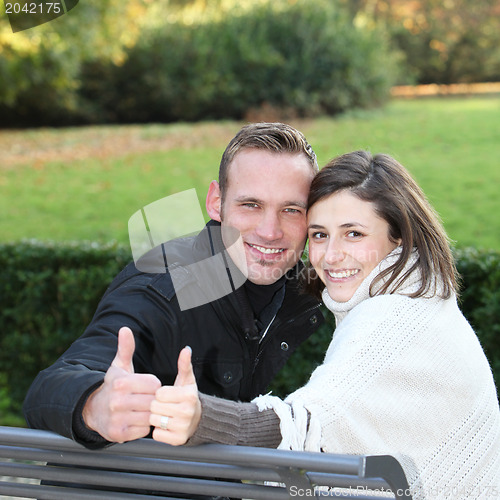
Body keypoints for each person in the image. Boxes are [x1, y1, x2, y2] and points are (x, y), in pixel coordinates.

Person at [149, 150, 500, 499]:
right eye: (319, 235)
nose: (330, 256)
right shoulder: (422, 303)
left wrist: (200, 416)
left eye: (354, 234)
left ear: (399, 237)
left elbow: (306, 426)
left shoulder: (394, 318)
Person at [23, 122, 325, 448]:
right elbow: (51, 385)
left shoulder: (304, 290)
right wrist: (95, 406)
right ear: (215, 202)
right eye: (250, 205)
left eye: (291, 210)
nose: (270, 231)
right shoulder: (163, 287)